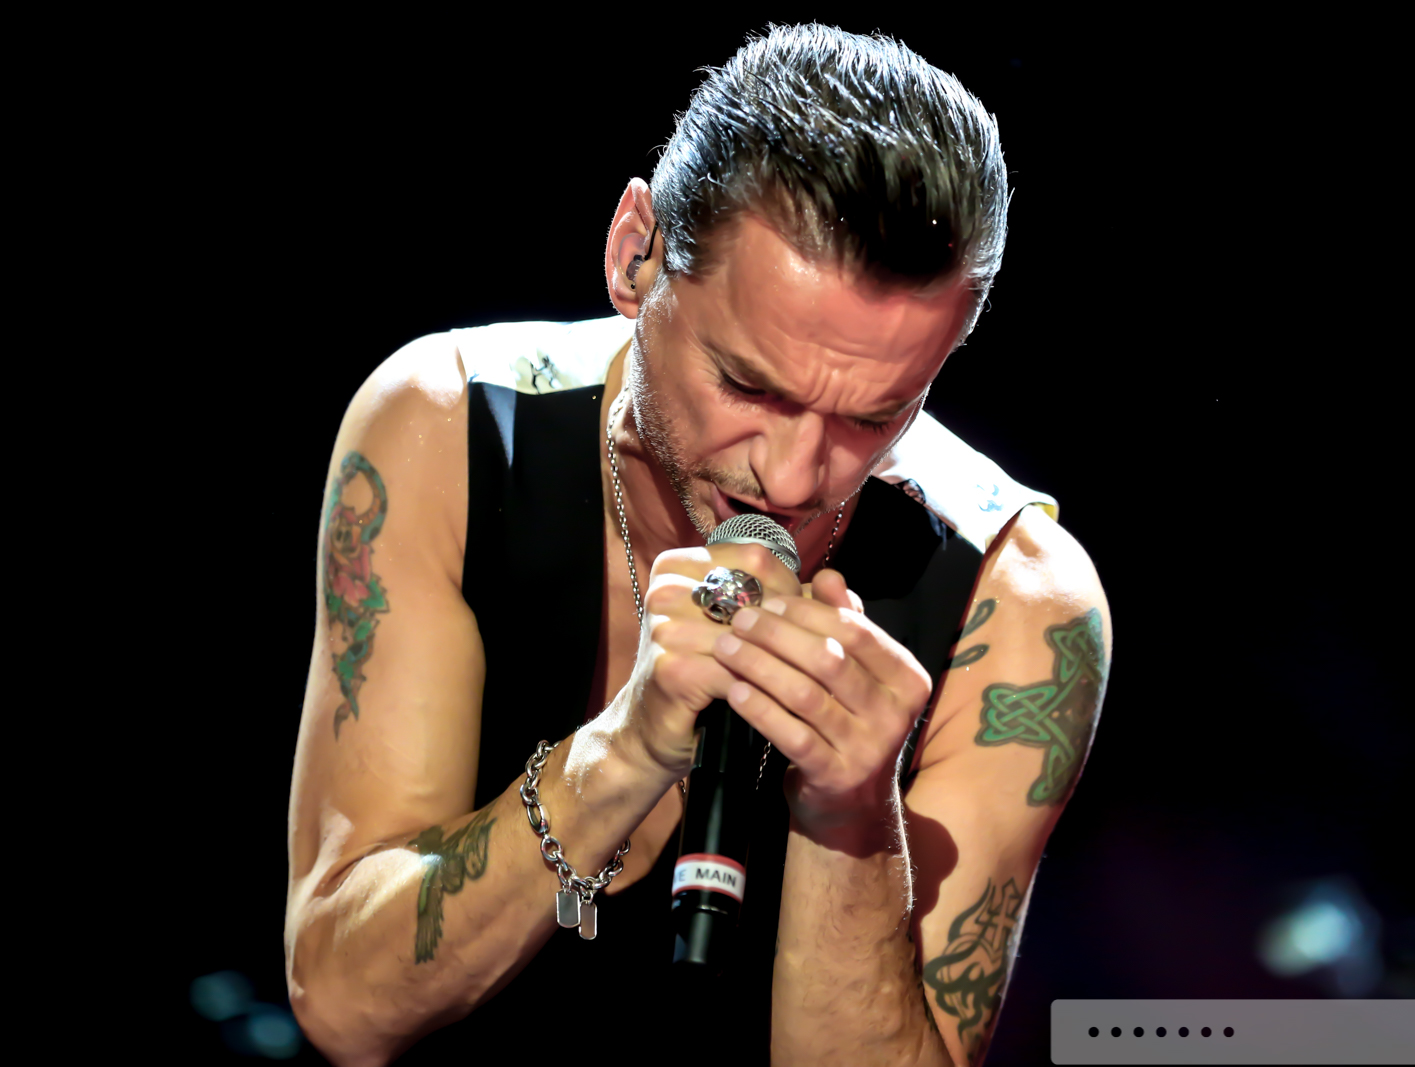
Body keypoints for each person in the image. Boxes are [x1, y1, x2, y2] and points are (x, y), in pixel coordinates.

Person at [286, 24, 1110, 1067]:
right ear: (635, 254)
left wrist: (852, 816)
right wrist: (625, 752)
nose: (796, 476)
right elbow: (345, 1006)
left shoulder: (1019, 602)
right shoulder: (448, 427)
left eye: (875, 415)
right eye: (749, 386)